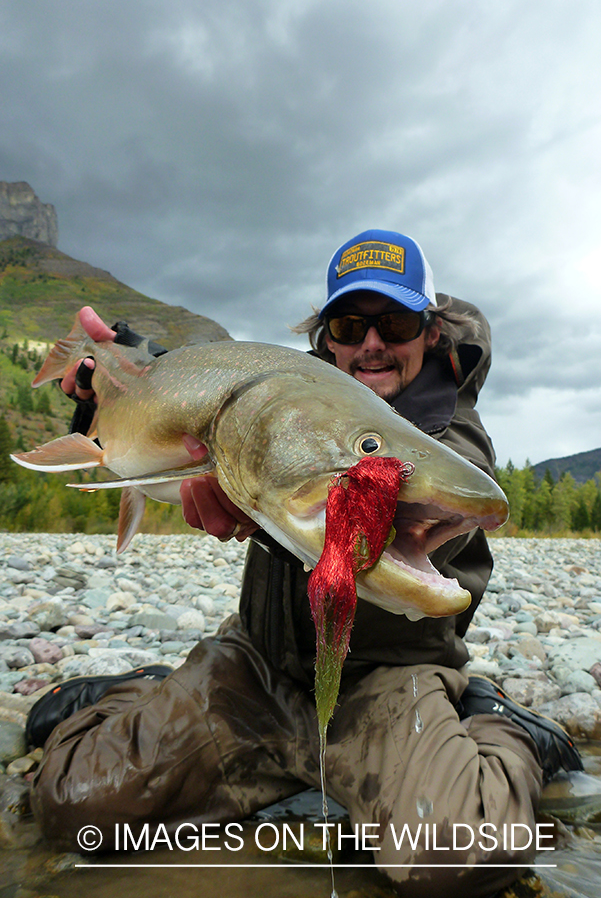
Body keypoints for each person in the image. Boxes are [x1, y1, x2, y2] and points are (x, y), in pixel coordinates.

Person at [27, 230, 582, 897]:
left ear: (430, 333)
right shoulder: (285, 401)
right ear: (327, 339)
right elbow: (203, 404)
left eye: (395, 322)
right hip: (254, 669)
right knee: (73, 806)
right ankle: (140, 689)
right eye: (350, 325)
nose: (371, 343)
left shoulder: (448, 436)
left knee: (461, 857)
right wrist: (112, 387)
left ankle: (506, 729)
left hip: (383, 683)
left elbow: (452, 508)